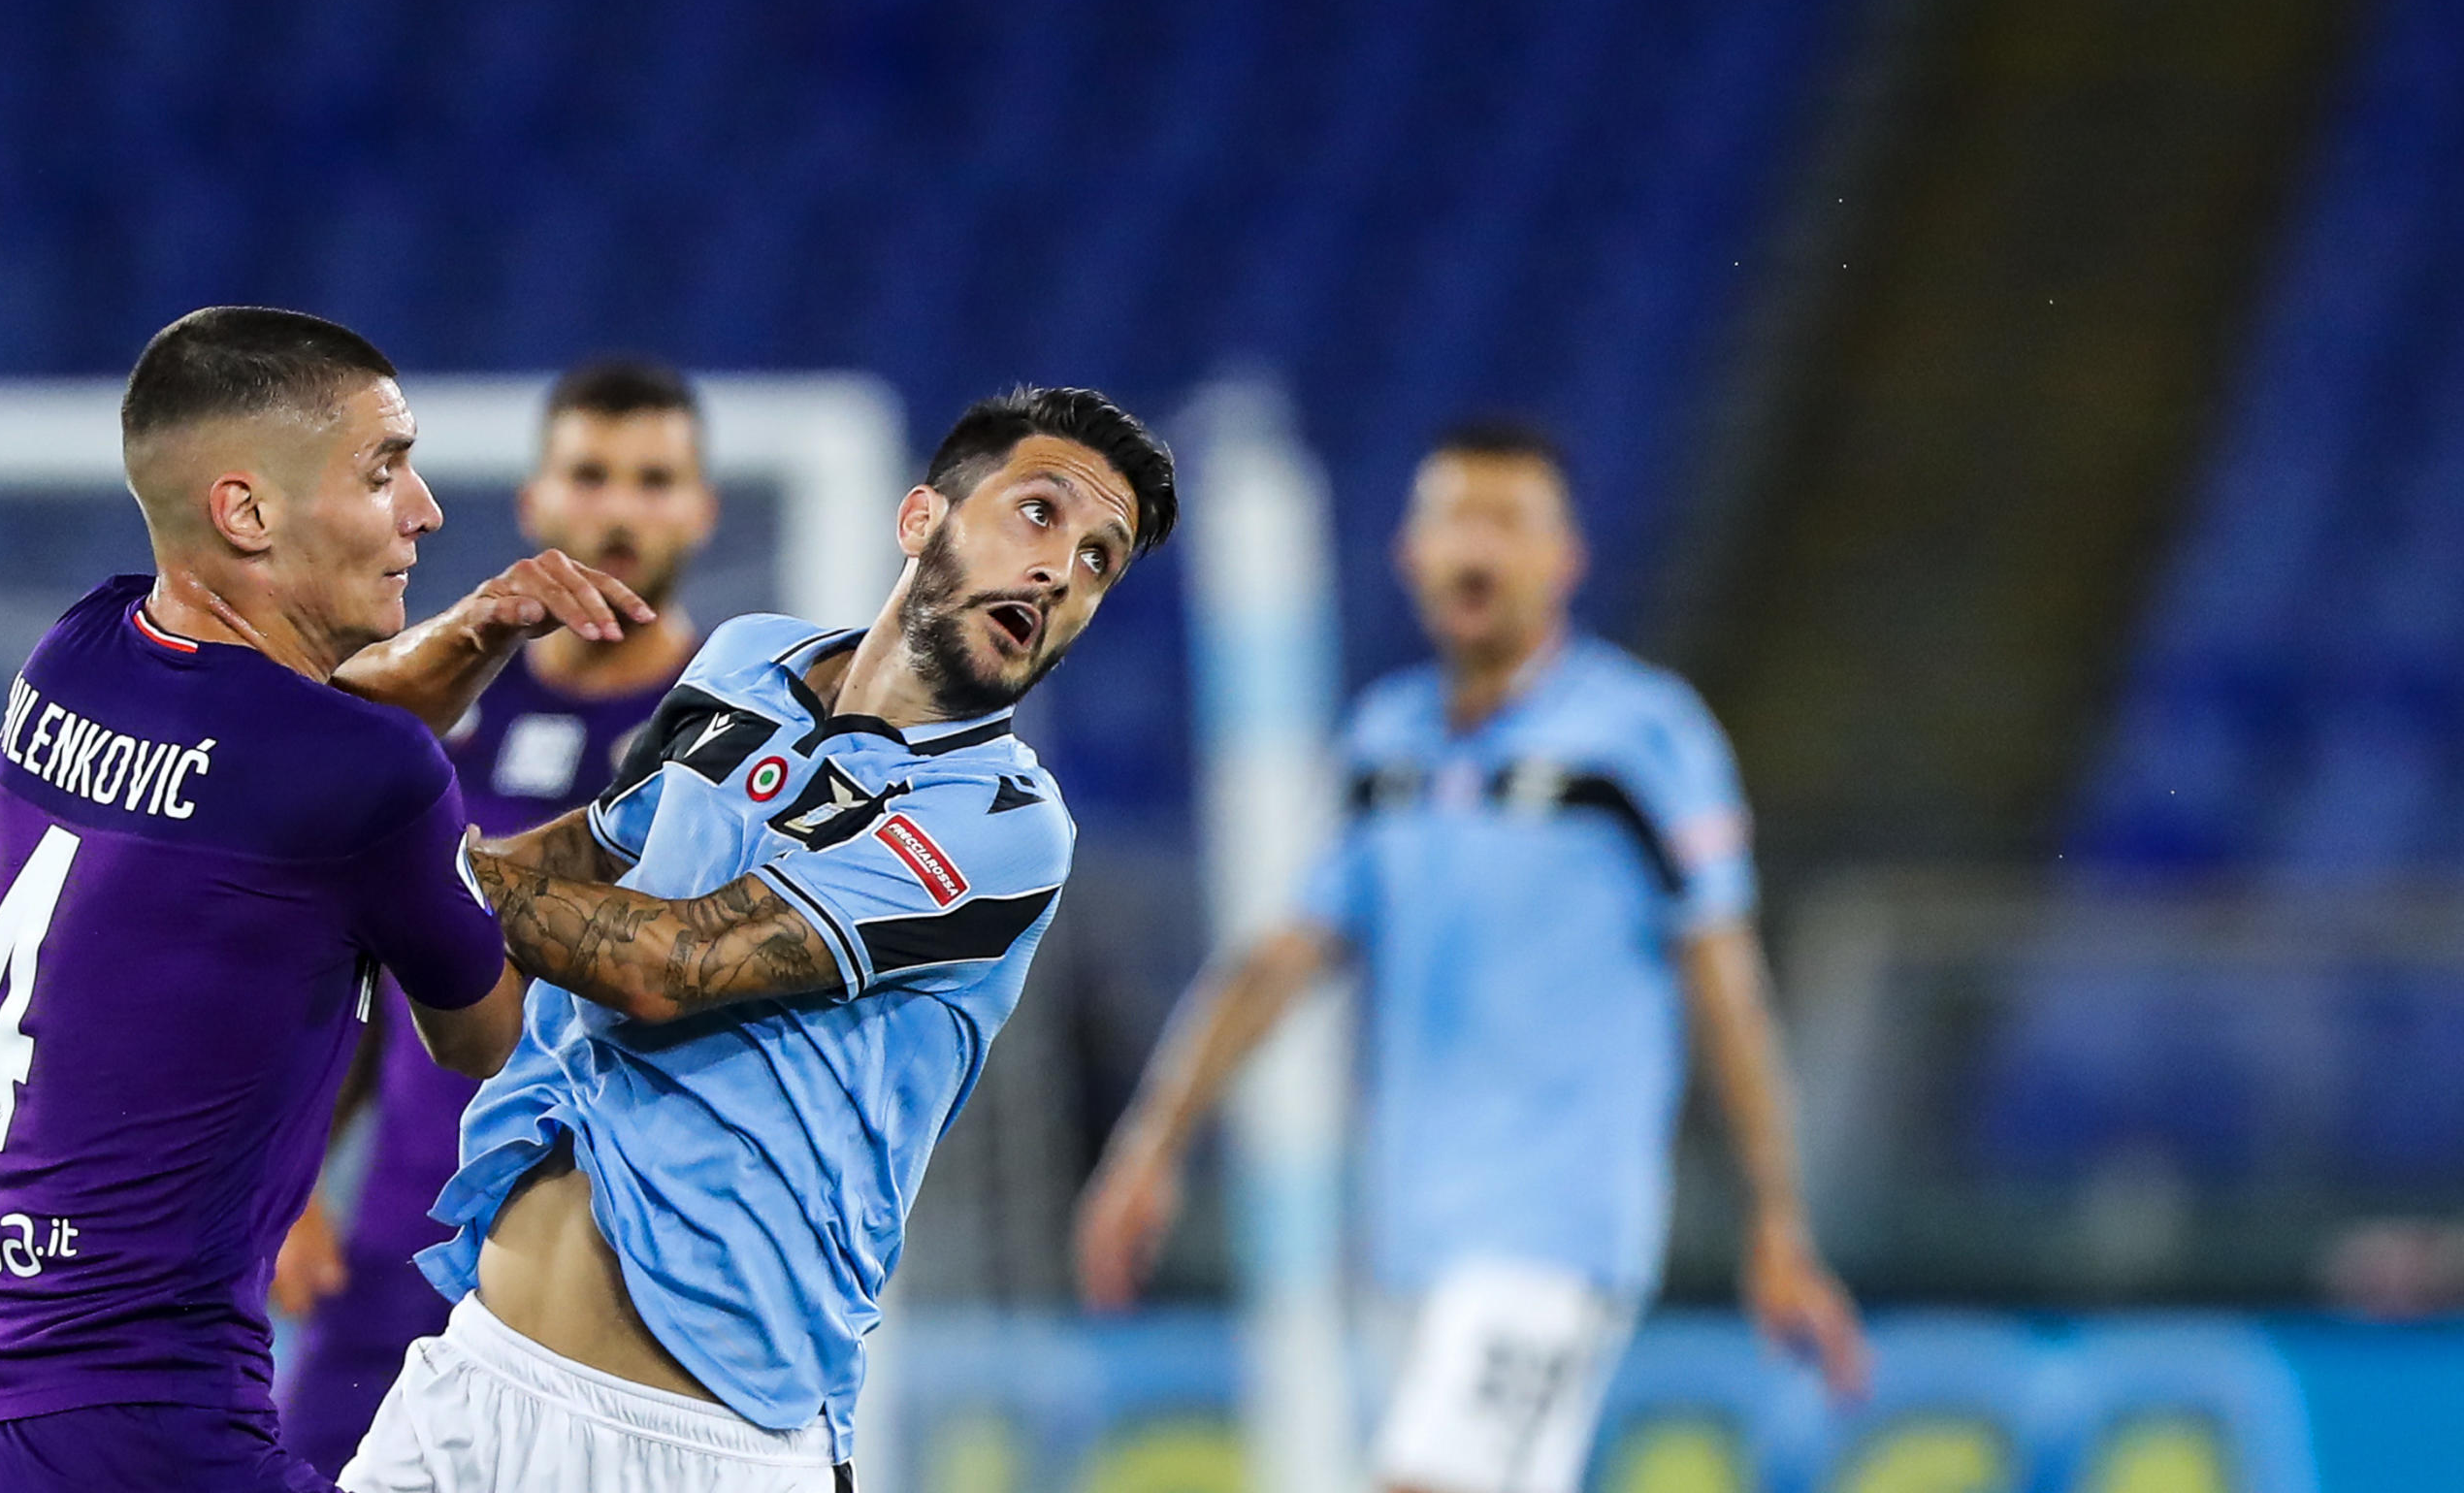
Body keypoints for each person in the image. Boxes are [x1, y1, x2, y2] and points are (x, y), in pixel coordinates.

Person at [0, 306, 651, 1493]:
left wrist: (477, 630)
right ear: (247, 510)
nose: (424, 509)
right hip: (136, 1424)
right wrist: (637, 839)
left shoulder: (74, 652)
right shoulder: (363, 782)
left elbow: (288, 749)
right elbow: (484, 1034)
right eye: (385, 470)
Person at [336, 386, 1179, 1493]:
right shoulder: (744, 663)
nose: (1060, 569)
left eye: (1100, 559)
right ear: (922, 517)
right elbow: (589, 849)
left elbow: (668, 965)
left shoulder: (1004, 822)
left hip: (704, 1444)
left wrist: (394, 854)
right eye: (1038, 513)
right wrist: (330, 834)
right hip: (479, 1377)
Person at [1074, 417, 1870, 1493]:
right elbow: (1275, 964)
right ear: (1411, 553)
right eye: (1453, 518)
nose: (1476, 547)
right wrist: (1150, 1142)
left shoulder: (1642, 739)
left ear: (1565, 559)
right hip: (1408, 1239)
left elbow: (1724, 982)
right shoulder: (1384, 744)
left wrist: (1778, 1214)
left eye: (1508, 521)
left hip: (1557, 1229)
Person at [276, 357, 721, 1475]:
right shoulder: (441, 708)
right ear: (537, 501)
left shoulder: (739, 729)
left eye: (655, 478)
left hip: (628, 1267)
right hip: (406, 1240)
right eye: (590, 473)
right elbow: (362, 972)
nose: (620, 507)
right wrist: (291, 1183)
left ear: (701, 507)